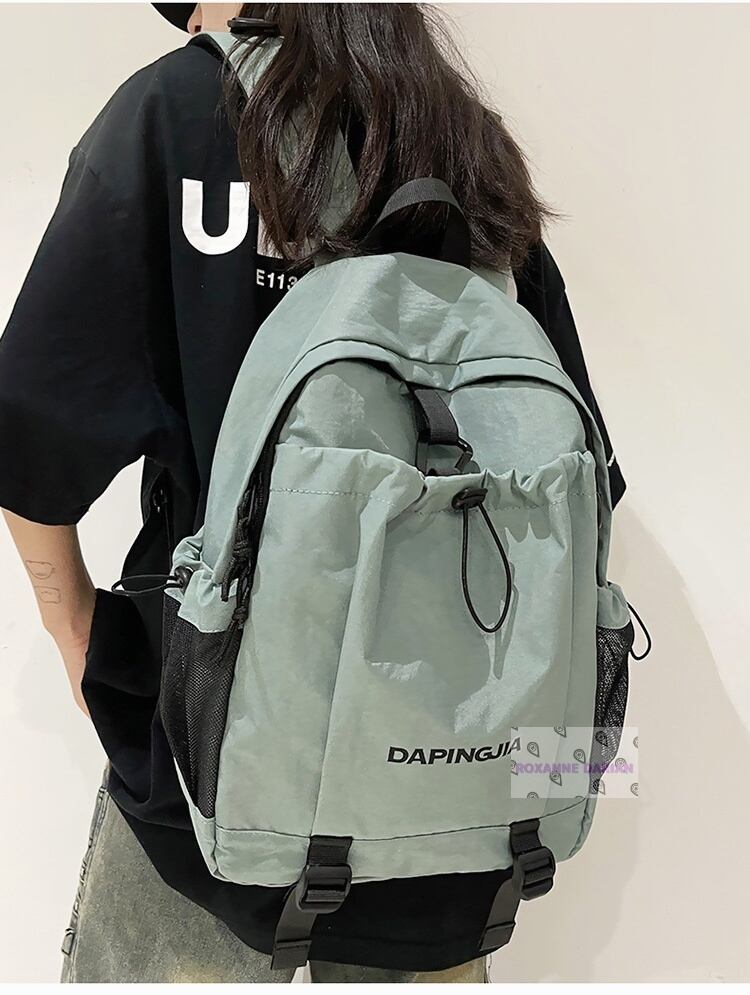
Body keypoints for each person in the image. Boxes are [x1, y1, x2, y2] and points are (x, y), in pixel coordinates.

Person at [0, 2, 625, 984]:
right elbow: (580, 490)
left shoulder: (181, 110)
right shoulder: (464, 139)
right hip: (456, 828)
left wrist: (76, 638)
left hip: (207, 778)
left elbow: (30, 433)